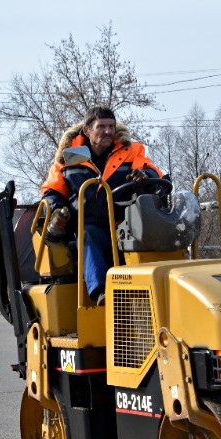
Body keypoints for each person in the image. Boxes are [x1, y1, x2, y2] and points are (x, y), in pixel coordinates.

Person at [40, 107, 164, 304]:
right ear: (88, 130)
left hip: (124, 224)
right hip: (90, 226)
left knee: (153, 236)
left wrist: (144, 175)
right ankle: (101, 293)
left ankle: (155, 293)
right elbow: (52, 191)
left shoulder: (130, 151)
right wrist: (57, 211)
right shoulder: (67, 159)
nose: (108, 131)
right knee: (87, 233)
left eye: (111, 127)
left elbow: (152, 170)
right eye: (102, 127)